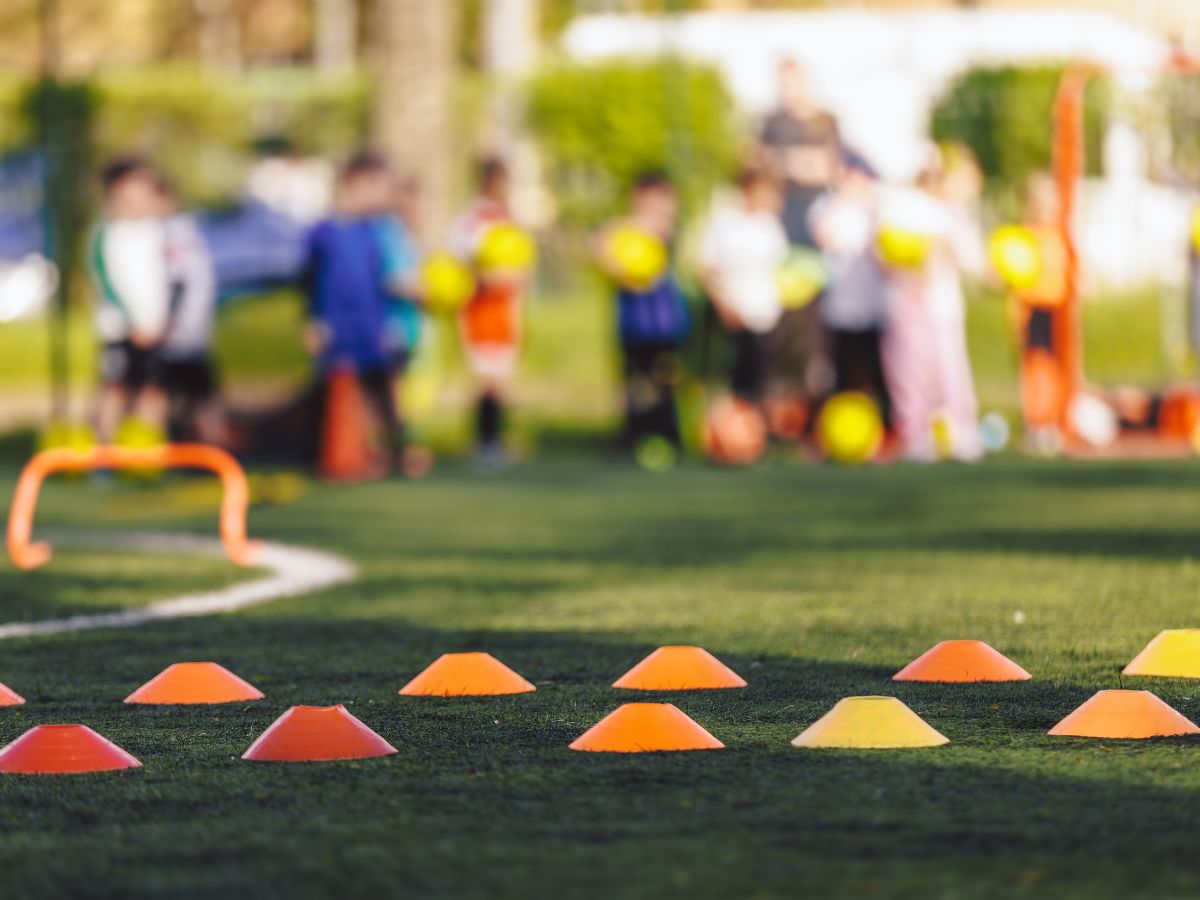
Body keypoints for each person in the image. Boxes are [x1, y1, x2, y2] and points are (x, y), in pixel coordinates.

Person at [877, 144, 985, 462]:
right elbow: (885, 250)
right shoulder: (903, 204)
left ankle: (962, 432)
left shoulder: (954, 215)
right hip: (906, 304)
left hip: (943, 306)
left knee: (951, 371)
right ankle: (916, 435)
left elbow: (970, 260)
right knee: (910, 372)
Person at [303, 151, 406, 474]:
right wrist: (313, 322)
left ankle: (392, 453)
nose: (386, 196)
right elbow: (307, 281)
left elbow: (383, 282)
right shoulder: (322, 233)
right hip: (336, 326)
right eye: (379, 187)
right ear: (356, 183)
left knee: (381, 391)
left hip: (372, 325)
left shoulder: (374, 232)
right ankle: (347, 455)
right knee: (345, 393)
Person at [594, 171, 690, 454]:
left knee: (663, 381)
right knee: (634, 384)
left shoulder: (661, 227)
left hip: (663, 323)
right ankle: (633, 436)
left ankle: (667, 436)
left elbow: (660, 230)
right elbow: (602, 247)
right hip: (634, 322)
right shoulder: (623, 232)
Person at [450, 156, 530, 464]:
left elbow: (521, 263)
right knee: (486, 380)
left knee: (503, 380)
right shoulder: (472, 221)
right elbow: (465, 264)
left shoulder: (510, 218)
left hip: (506, 309)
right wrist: (488, 276)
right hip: (480, 309)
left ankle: (496, 440)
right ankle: (484, 443)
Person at [88, 157, 170, 444]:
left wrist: (159, 319)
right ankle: (104, 453)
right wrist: (134, 321)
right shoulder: (107, 233)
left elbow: (161, 280)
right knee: (115, 387)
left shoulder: (153, 230)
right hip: (121, 329)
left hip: (153, 327)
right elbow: (107, 281)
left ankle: (150, 451)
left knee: (154, 388)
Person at [809, 151, 892, 427]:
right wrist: (840, 199)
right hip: (840, 308)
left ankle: (886, 429)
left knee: (879, 374)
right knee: (838, 374)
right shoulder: (827, 206)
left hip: (874, 306)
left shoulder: (877, 209)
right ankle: (832, 430)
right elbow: (823, 236)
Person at [699, 167, 789, 405]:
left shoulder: (771, 226)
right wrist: (723, 305)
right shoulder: (724, 222)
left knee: (758, 378)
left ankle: (754, 425)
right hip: (729, 314)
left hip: (763, 317)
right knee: (727, 376)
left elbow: (782, 270)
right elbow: (706, 269)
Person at [153, 176, 226, 445]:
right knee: (189, 394)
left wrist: (175, 322)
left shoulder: (176, 232)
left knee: (195, 393)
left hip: (181, 333)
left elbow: (183, 281)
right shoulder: (179, 230)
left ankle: (209, 448)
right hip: (182, 331)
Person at [758, 59, 841, 250]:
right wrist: (799, 162)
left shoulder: (824, 121)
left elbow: (830, 166)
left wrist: (788, 161)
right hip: (784, 204)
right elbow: (762, 161)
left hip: (818, 203)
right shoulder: (773, 122)